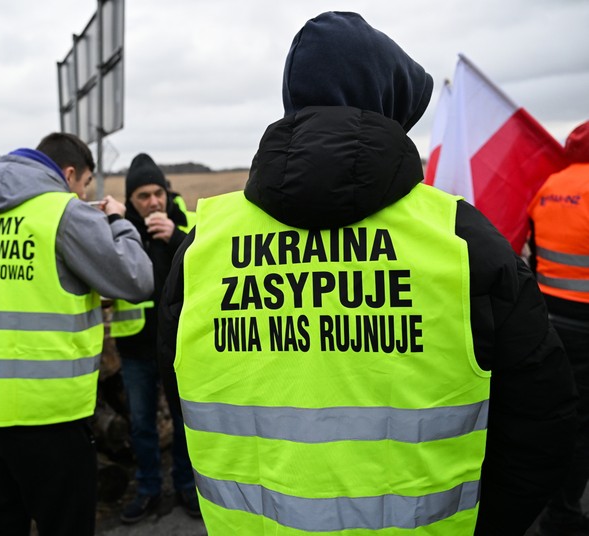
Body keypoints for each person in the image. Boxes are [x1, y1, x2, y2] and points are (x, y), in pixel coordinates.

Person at [158, 11, 577, 536]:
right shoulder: (461, 240)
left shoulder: (203, 245)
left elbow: (181, 388)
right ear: (390, 108)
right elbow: (542, 422)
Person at [0, 132, 154, 535]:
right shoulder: (62, 212)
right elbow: (137, 279)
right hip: (50, 413)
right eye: (84, 184)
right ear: (69, 174)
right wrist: (118, 221)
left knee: (2, 527)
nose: (83, 194)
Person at [109, 153, 199, 523]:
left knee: (185, 421)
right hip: (135, 346)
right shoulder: (120, 228)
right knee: (142, 424)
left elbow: (208, 265)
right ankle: (148, 489)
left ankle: (187, 485)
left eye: (158, 193)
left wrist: (176, 236)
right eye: (143, 196)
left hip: (181, 343)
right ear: (131, 200)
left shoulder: (188, 220)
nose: (153, 202)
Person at [528, 120, 589, 536]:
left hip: (551, 317)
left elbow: (535, 253)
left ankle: (552, 499)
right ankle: (563, 515)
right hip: (584, 321)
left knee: (562, 410)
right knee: (582, 424)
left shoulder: (550, 186)